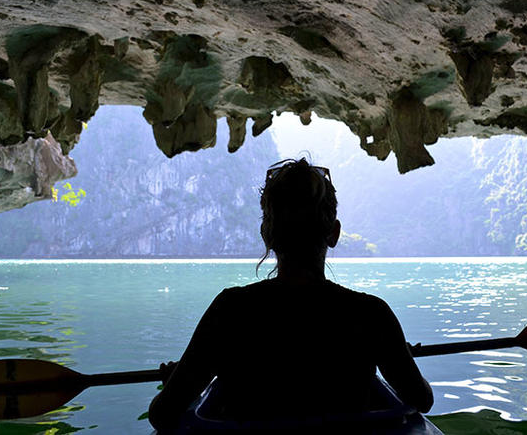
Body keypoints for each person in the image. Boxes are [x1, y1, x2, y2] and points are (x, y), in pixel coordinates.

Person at [148, 158, 433, 431]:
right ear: (334, 234)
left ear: (267, 235)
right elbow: (422, 400)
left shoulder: (230, 311)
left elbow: (162, 415)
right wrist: (399, 359)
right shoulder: (371, 315)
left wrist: (179, 383)